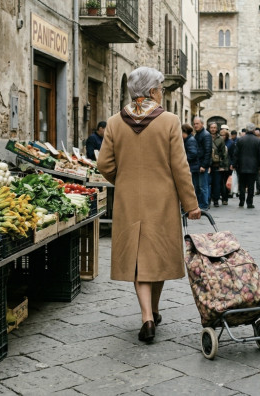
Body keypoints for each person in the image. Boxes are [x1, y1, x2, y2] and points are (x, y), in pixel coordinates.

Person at [97, 67, 201, 343]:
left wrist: (125, 179)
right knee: (158, 255)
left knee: (137, 258)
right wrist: (191, 203)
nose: (162, 93)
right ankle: (152, 312)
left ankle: (148, 314)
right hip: (163, 200)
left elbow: (104, 165)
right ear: (153, 91)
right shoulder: (168, 121)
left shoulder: (115, 122)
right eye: (161, 89)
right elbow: (180, 167)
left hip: (128, 200)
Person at [232, 123, 260, 208]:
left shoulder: (240, 140)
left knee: (242, 184)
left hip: (241, 166)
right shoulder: (258, 141)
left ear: (246, 129)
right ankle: (249, 202)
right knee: (251, 185)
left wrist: (234, 164)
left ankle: (241, 201)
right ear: (254, 130)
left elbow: (236, 154)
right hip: (253, 166)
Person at [192, 116, 212, 210]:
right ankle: (200, 204)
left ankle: (204, 205)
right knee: (197, 186)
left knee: (203, 186)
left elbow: (208, 151)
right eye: (194, 124)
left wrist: (204, 165)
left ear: (202, 124)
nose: (195, 125)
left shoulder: (206, 135)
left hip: (202, 165)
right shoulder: (198, 134)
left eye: (197, 124)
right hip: (197, 164)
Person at [209, 123, 229, 207]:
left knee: (217, 183)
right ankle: (208, 199)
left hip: (217, 165)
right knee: (208, 183)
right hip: (208, 165)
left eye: (214, 128)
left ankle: (216, 200)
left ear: (217, 129)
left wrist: (222, 166)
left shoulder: (220, 139)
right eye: (211, 128)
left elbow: (223, 154)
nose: (213, 129)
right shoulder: (207, 137)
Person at [218, 125, 232, 205]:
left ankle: (225, 197)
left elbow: (233, 154)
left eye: (223, 135)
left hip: (227, 165)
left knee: (225, 182)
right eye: (221, 135)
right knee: (221, 182)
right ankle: (223, 196)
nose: (222, 137)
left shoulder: (230, 143)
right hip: (220, 164)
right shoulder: (219, 142)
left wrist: (232, 164)